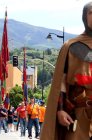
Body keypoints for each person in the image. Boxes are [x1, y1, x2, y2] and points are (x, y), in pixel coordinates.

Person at [40, 2, 92, 140]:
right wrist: (61, 109)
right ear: (85, 17)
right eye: (91, 13)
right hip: (81, 113)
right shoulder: (71, 46)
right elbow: (61, 81)